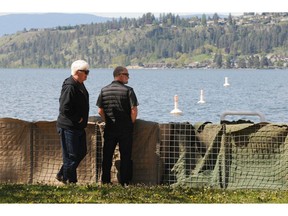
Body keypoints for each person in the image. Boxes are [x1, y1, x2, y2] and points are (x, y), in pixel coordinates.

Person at [96, 66, 139, 186]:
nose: (128, 77)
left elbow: (100, 110)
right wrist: (131, 123)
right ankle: (125, 182)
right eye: (127, 75)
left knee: (107, 156)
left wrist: (108, 121)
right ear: (120, 75)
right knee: (125, 156)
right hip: (125, 129)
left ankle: (105, 181)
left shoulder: (104, 90)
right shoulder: (128, 91)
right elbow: (134, 110)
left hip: (110, 129)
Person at [56, 59, 90, 184]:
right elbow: (64, 108)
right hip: (68, 126)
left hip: (78, 127)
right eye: (85, 72)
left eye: (88, 72)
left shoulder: (79, 83)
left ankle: (62, 174)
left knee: (81, 152)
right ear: (77, 72)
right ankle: (70, 180)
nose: (87, 74)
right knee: (71, 156)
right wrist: (77, 118)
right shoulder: (70, 86)